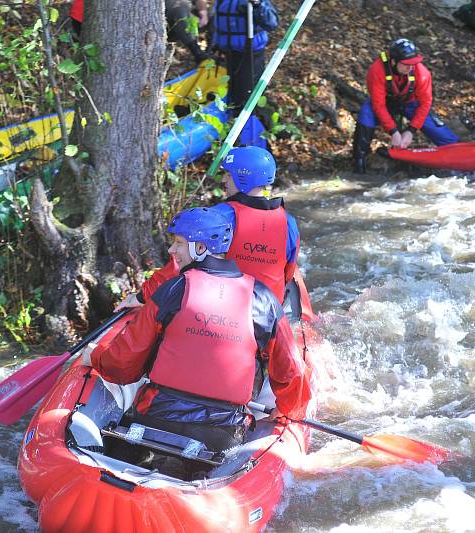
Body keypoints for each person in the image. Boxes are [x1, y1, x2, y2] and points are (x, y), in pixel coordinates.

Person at [87, 207, 311, 454]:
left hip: (157, 417)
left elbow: (121, 364)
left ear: (201, 248)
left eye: (179, 243)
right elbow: (292, 370)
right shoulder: (263, 299)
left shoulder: (173, 290)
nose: (172, 251)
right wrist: (290, 408)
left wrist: (96, 357)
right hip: (224, 433)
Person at [118, 146, 300, 307]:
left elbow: (180, 264)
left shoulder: (218, 217)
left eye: (228, 175)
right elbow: (289, 272)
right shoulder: (289, 221)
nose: (223, 180)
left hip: (223, 308)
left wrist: (142, 297)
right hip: (269, 310)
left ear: (242, 178)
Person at [351, 38, 459, 174]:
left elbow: (425, 103)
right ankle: (359, 161)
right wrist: (393, 132)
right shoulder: (377, 70)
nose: (410, 67)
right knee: (366, 113)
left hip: (411, 104)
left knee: (444, 136)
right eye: (406, 64)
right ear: (393, 61)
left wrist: (411, 131)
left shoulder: (422, 73)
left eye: (413, 64)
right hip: (387, 104)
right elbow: (378, 105)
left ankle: (458, 152)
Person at [211, 0, 279, 114]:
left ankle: (259, 120)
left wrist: (257, 5)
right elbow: (220, 21)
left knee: (249, 96)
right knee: (234, 95)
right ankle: (234, 120)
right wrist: (216, 43)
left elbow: (272, 23)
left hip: (251, 56)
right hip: (230, 54)